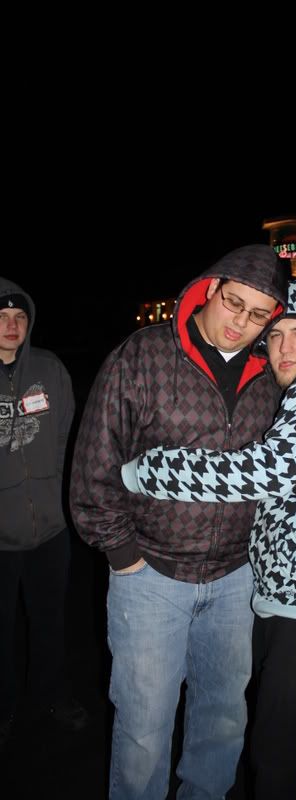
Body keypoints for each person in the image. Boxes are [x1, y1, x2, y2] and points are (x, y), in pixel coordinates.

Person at [121, 279, 296, 800]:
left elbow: (265, 471)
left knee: (289, 762)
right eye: (274, 335)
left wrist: (147, 470)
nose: (285, 348)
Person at [69, 244, 288, 800]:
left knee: (223, 720)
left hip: (236, 578)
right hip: (151, 575)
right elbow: (95, 465)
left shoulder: (272, 375)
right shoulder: (141, 356)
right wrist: (125, 557)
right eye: (233, 303)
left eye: (258, 314)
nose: (241, 322)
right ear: (211, 289)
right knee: (144, 729)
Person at [0, 277, 88, 753]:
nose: (12, 326)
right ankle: (3, 708)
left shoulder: (50, 370)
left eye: (19, 317)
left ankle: (51, 696)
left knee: (50, 621)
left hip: (50, 529)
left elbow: (65, 440)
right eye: (1, 317)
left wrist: (59, 499)